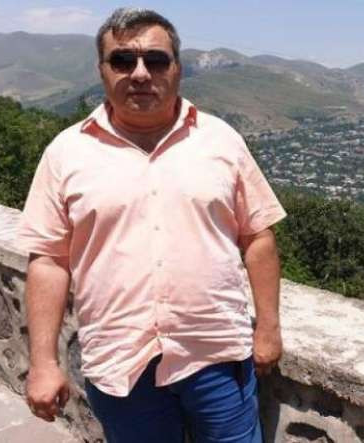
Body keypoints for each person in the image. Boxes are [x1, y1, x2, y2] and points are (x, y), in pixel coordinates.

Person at [17, 7, 286, 442]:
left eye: (156, 60)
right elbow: (48, 260)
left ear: (177, 68)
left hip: (215, 353)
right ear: (102, 70)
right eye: (123, 60)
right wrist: (44, 363)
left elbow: (258, 237)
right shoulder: (66, 153)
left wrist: (269, 328)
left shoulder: (221, 140)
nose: (140, 73)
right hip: (120, 362)